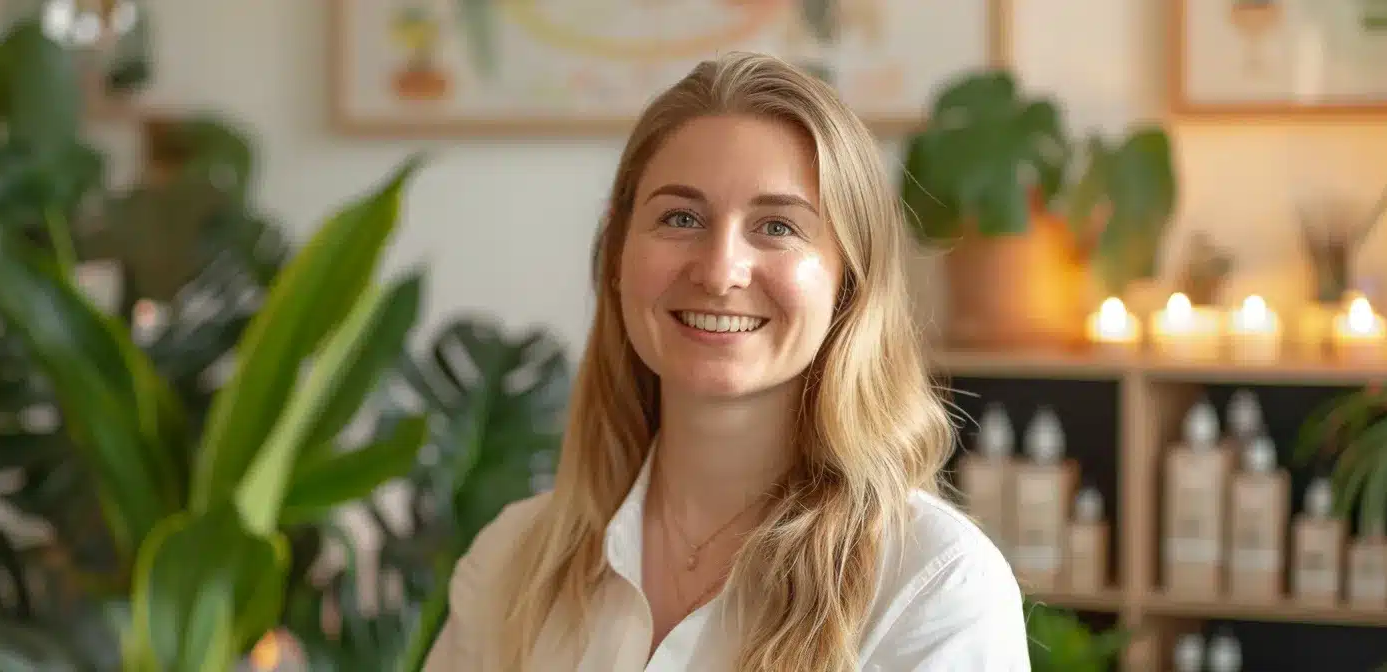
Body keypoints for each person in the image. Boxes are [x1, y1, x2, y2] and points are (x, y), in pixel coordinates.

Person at [421, 51, 1029, 671]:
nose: (718, 272)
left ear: (849, 278)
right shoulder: (508, 562)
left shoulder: (935, 587)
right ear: (616, 255)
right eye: (680, 217)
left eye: (777, 227)